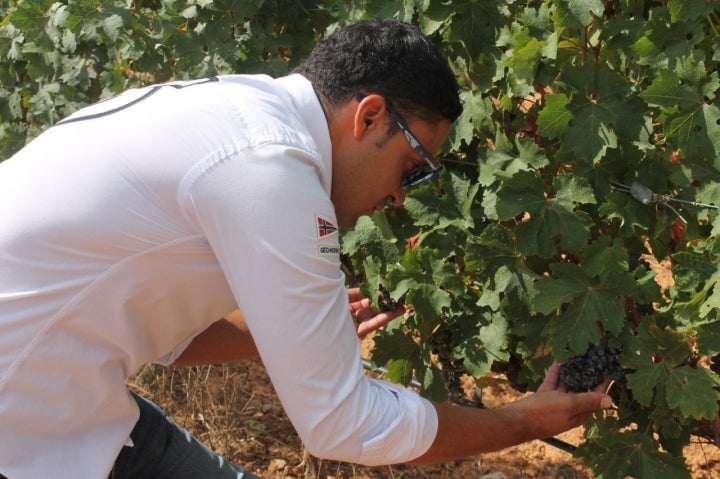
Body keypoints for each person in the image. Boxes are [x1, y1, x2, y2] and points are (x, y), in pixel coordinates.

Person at [0, 18, 612, 479]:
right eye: (414, 167)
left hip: (62, 402)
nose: (404, 196)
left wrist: (281, 331)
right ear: (369, 117)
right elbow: (343, 425)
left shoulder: (241, 115)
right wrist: (523, 422)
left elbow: (168, 336)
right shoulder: (271, 166)